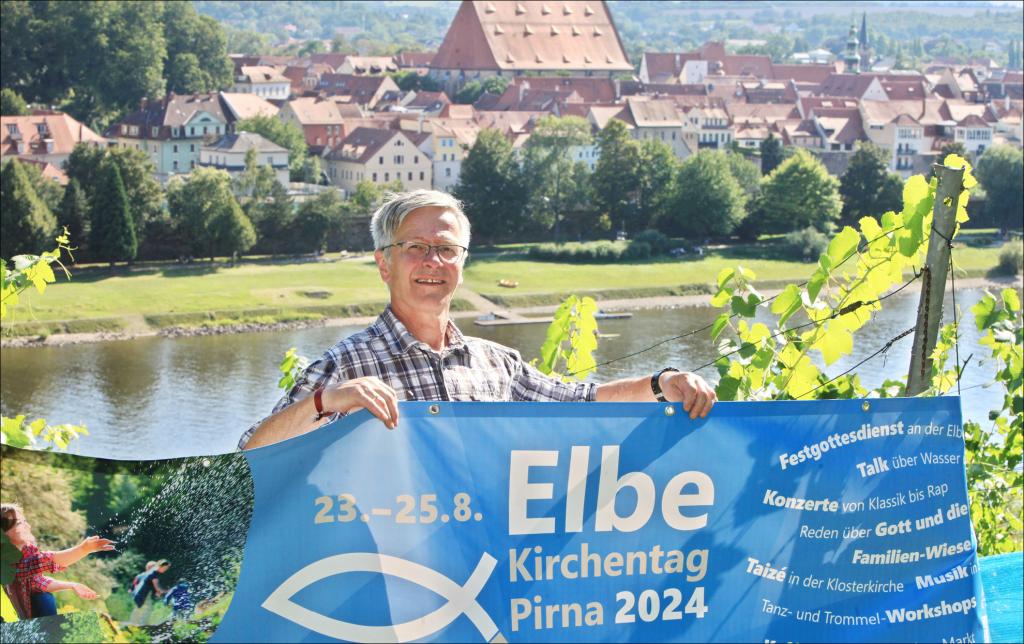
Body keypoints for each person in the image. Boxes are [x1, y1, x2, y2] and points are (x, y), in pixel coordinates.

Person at [240, 190, 716, 450]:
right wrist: (327, 400)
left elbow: (581, 399)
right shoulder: (344, 365)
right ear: (384, 263)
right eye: (415, 248)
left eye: (446, 249)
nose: (432, 261)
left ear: (462, 263)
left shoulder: (497, 363)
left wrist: (663, 382)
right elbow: (249, 456)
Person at [0, 503, 114, 620]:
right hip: (17, 625)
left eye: (24, 521)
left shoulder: (26, 551)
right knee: (44, 599)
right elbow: (42, 561)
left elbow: (37, 582)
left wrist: (72, 585)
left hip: (28, 621)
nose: (27, 526)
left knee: (44, 598)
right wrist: (83, 549)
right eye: (19, 523)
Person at [128, 559, 170, 626]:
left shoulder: (151, 573)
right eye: (166, 568)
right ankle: (142, 625)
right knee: (147, 608)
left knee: (139, 609)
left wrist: (158, 592)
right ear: (161, 566)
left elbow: (152, 586)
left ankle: (133, 624)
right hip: (143, 594)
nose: (166, 570)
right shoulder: (154, 573)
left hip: (139, 594)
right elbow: (157, 588)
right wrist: (167, 591)